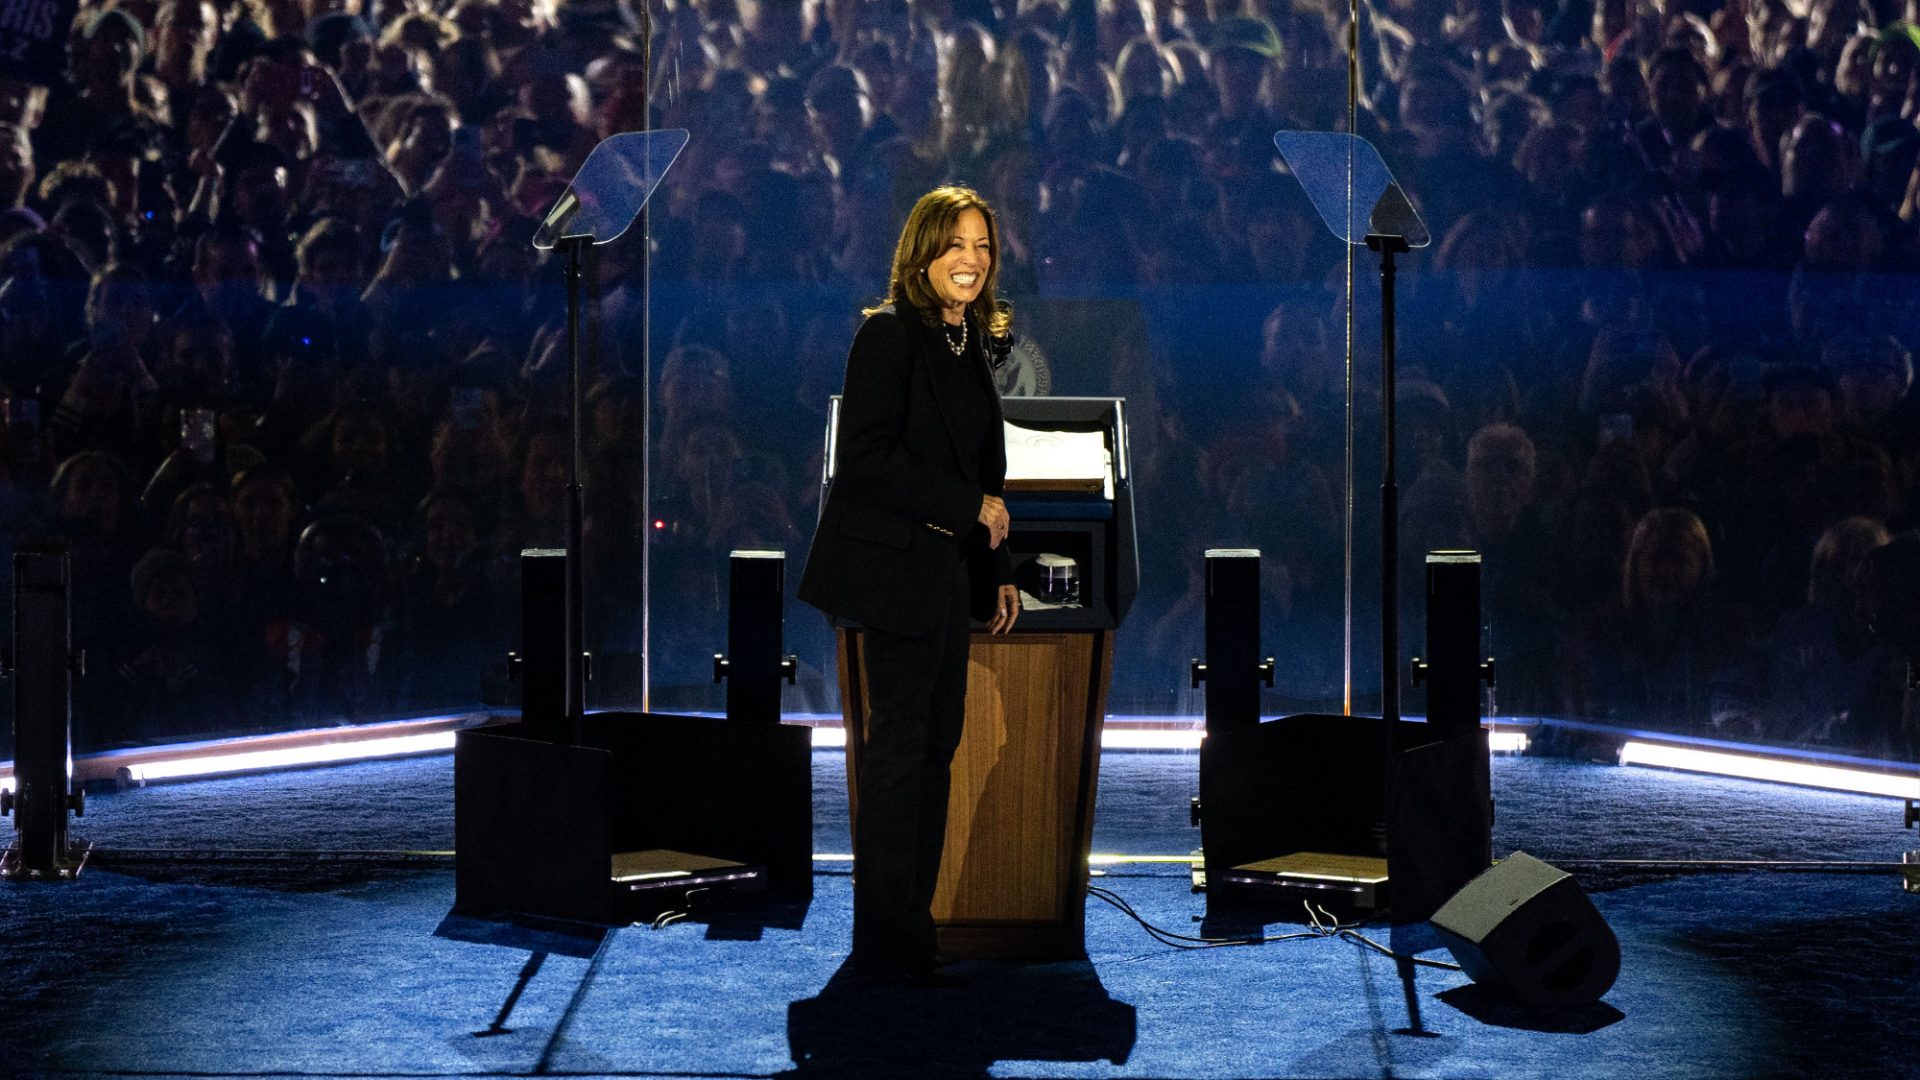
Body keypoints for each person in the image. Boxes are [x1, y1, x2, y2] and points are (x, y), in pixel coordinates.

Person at [797, 185, 1020, 982]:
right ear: (922, 252)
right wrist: (969, 511)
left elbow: (979, 471)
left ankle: (910, 931)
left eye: (983, 246)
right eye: (956, 244)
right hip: (892, 580)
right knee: (896, 765)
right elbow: (867, 458)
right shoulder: (889, 336)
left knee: (933, 754)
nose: (972, 259)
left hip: (945, 585)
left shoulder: (968, 341)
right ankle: (886, 943)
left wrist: (991, 572)